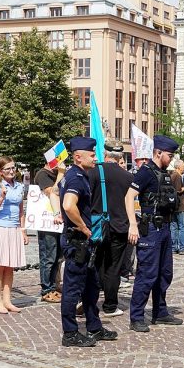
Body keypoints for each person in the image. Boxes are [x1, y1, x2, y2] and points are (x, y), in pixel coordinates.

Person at [59, 137, 118, 347]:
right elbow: (68, 205)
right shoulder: (75, 178)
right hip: (78, 241)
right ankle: (70, 333)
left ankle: (94, 326)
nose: (95, 158)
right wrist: (84, 228)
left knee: (91, 287)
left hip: (83, 241)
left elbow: (59, 195)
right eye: (92, 155)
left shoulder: (77, 175)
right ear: (77, 157)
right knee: (73, 289)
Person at [125, 135, 183, 332]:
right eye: (169, 155)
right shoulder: (146, 172)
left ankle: (160, 312)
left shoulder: (165, 173)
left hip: (165, 228)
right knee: (147, 273)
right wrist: (133, 224)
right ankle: (137, 317)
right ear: (158, 153)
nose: (171, 158)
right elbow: (129, 196)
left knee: (164, 272)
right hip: (150, 229)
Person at [88, 142, 133, 317]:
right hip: (120, 226)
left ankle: (90, 300)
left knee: (96, 263)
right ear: (120, 157)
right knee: (114, 267)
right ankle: (110, 305)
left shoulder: (93, 172)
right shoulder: (128, 177)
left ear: (105, 154)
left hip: (97, 225)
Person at [0, 156, 28, 314]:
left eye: (13, 168)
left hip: (14, 229)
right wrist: (2, 197)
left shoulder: (19, 187)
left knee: (10, 267)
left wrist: (23, 231)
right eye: (8, 168)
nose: (11, 171)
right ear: (1, 172)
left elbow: (21, 210)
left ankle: (7, 300)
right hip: (0, 228)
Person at [33, 162, 64, 303]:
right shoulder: (42, 174)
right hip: (47, 223)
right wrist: (61, 174)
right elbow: (52, 192)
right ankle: (46, 289)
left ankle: (53, 286)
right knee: (48, 256)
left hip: (57, 222)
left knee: (57, 256)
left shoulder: (56, 174)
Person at [169, 159, 184, 255]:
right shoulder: (177, 176)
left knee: (174, 226)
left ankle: (174, 247)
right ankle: (181, 247)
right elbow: (178, 190)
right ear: (178, 167)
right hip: (180, 205)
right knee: (182, 227)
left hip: (173, 206)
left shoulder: (172, 175)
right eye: (183, 166)